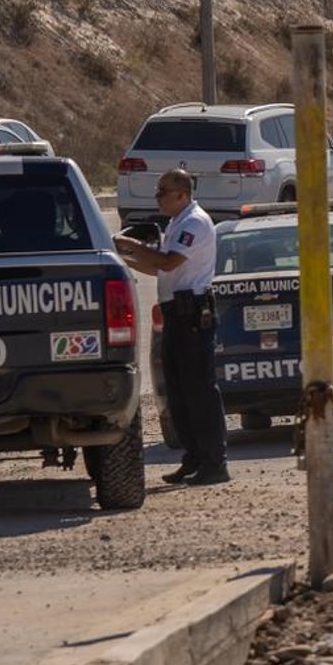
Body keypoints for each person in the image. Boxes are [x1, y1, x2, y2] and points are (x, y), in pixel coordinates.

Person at [114, 170, 228, 486]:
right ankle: (194, 458)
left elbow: (167, 262)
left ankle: (214, 461)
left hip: (192, 316)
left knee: (200, 392)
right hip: (176, 316)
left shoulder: (194, 222)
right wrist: (124, 259)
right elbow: (159, 269)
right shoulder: (177, 222)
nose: (157, 197)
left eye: (162, 191)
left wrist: (129, 243)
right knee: (179, 393)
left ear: (181, 193)